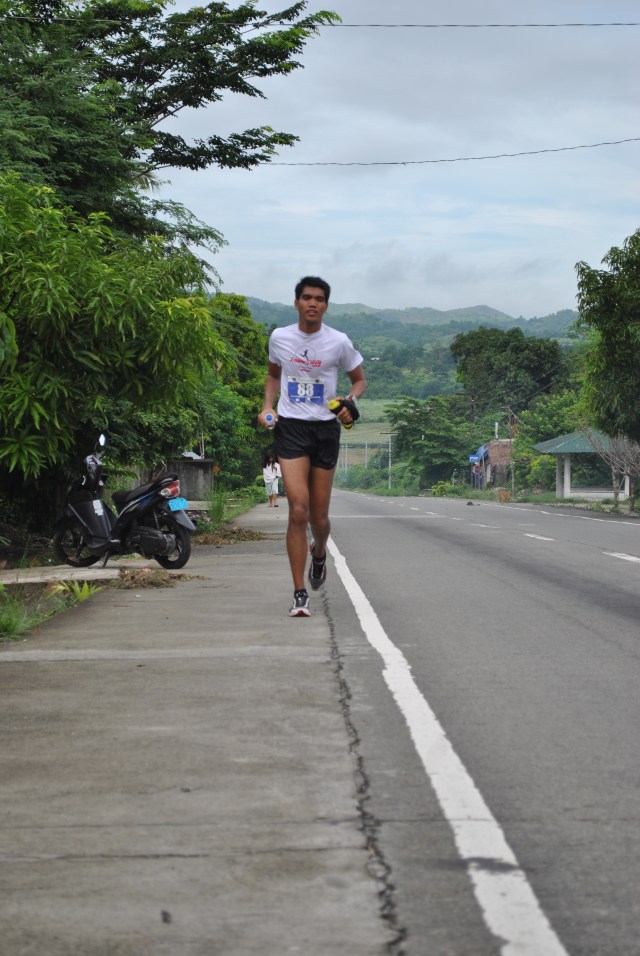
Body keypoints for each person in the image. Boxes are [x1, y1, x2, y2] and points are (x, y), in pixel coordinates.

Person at [258, 276, 366, 617]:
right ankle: (299, 592)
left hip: (324, 430)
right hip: (291, 428)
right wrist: (267, 406)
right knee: (298, 511)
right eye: (306, 297)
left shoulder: (338, 342)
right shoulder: (280, 337)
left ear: (326, 306)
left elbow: (359, 379)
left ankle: (319, 552)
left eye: (319, 299)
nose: (312, 303)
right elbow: (274, 374)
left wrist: (350, 399)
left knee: (319, 518)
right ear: (296, 303)